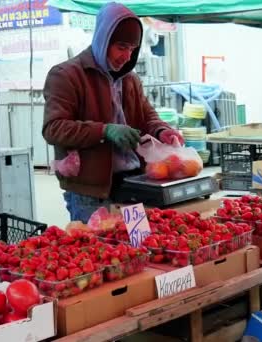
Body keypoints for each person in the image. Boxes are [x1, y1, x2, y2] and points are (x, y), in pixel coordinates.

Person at [42, 2, 183, 222]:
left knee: (136, 250)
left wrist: (162, 130)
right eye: (121, 47)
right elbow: (53, 128)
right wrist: (104, 131)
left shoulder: (130, 79)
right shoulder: (66, 75)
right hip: (91, 192)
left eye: (132, 49)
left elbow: (147, 116)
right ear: (103, 38)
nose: (127, 56)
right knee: (99, 252)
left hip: (133, 185)